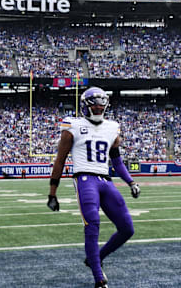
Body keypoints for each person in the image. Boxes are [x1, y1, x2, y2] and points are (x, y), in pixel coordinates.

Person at [47, 87, 140, 288]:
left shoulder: (112, 127)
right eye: (94, 104)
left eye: (101, 104)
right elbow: (60, 160)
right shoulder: (72, 125)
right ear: (85, 106)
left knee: (127, 229)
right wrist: (52, 193)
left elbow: (117, 162)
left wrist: (131, 182)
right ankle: (99, 279)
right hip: (84, 179)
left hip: (106, 181)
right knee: (93, 223)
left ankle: (95, 258)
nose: (98, 108)